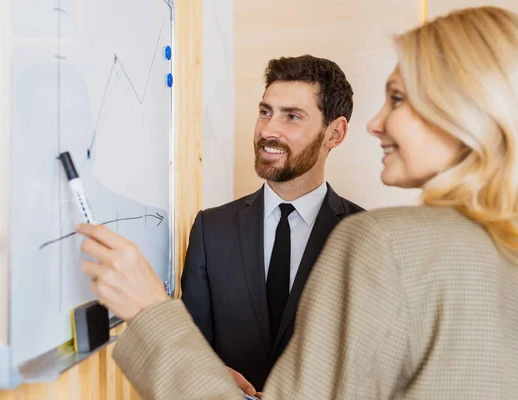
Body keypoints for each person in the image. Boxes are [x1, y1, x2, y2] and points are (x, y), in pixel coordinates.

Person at [78, 6, 518, 399]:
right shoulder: (502, 250)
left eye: (398, 98)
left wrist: (149, 311)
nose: (378, 123)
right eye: (265, 111)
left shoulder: (379, 240)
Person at [180, 55, 363, 393]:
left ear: (334, 133)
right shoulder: (211, 229)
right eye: (265, 112)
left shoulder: (367, 236)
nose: (268, 130)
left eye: (292, 116)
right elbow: (193, 350)